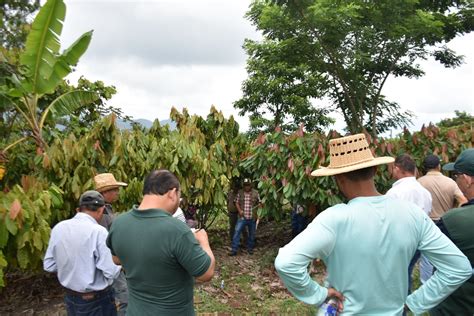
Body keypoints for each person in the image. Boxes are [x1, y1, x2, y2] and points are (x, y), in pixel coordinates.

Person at [274, 133, 471, 315]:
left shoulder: (334, 219)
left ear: (337, 178)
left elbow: (286, 263)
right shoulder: (413, 214)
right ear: (375, 170)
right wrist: (414, 303)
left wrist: (319, 294)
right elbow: (458, 267)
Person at [106, 170, 215, 315]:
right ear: (172, 193)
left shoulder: (119, 224)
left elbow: (116, 259)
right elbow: (206, 273)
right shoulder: (176, 230)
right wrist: (204, 241)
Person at [44, 190, 121, 316]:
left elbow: (49, 265)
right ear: (101, 210)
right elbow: (111, 271)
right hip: (96, 300)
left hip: (70, 297)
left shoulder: (59, 228)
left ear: (77, 209)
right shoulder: (98, 231)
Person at [430, 148, 474, 315]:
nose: (456, 181)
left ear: (467, 179)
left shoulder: (452, 221)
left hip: (458, 305)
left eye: (456, 176)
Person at [417, 154, 467, 281]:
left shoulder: (419, 183)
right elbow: (463, 200)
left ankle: (426, 284)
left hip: (427, 223)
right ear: (438, 166)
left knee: (427, 258)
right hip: (446, 223)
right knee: (446, 256)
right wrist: (456, 214)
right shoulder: (450, 182)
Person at [386, 154, 433, 290]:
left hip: (400, 242)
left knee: (399, 276)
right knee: (406, 271)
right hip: (419, 240)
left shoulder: (394, 193)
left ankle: (403, 302)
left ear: (397, 168)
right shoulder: (425, 192)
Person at [94, 172, 128, 314]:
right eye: (115, 190)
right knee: (125, 297)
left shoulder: (106, 208)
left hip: (110, 261)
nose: (117, 193)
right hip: (109, 262)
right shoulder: (100, 212)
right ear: (105, 192)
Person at [229, 178, 260, 256]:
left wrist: (260, 209)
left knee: (252, 234)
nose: (247, 187)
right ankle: (234, 250)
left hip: (252, 217)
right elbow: (236, 202)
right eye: (245, 185)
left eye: (248, 185)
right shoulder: (240, 192)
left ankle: (250, 249)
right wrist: (240, 211)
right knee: (237, 232)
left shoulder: (255, 193)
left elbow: (260, 203)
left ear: (251, 185)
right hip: (242, 217)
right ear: (243, 186)